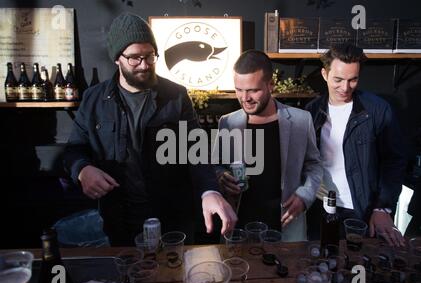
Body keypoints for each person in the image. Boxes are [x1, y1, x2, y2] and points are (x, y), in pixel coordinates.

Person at [63, 13, 236, 246]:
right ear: (117, 58)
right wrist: (83, 170)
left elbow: (195, 151)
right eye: (134, 58)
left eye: (150, 56)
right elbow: (74, 149)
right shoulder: (93, 100)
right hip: (119, 217)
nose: (144, 65)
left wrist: (209, 191)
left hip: (172, 216)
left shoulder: (176, 95)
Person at [212, 50, 322, 241]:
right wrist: (221, 176)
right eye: (239, 89)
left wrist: (305, 196)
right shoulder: (227, 122)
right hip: (238, 227)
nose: (245, 98)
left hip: (286, 226)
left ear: (271, 84)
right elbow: (215, 166)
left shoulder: (301, 120)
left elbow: (314, 165)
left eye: (253, 90)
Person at [305, 43, 407, 246]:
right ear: (324, 74)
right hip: (320, 209)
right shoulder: (312, 111)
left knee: (361, 268)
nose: (345, 87)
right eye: (338, 79)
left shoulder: (377, 110)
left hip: (362, 211)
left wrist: (382, 208)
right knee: (321, 266)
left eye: (353, 79)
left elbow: (394, 161)